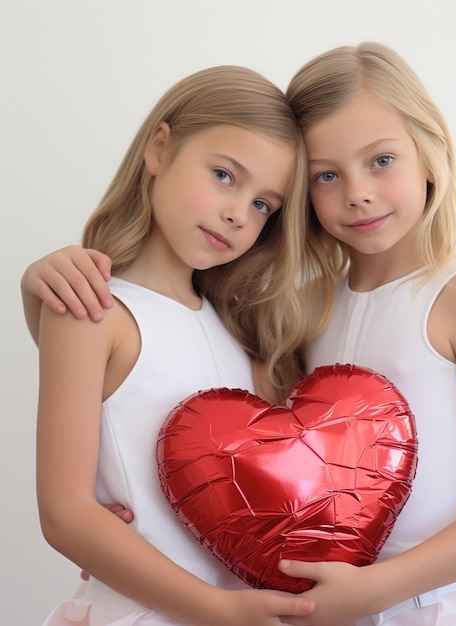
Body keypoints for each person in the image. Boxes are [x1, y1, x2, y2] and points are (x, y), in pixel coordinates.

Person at [22, 43, 456, 625]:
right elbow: (126, 411)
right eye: (327, 175)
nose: (357, 193)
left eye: (381, 161)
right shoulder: (302, 315)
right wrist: (38, 292)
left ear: (430, 155)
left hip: (434, 608)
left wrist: (370, 591)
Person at [23, 65, 320, 626]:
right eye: (225, 175)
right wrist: (218, 609)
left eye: (263, 206)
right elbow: (65, 515)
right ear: (160, 148)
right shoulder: (94, 311)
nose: (238, 213)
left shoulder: (244, 333)